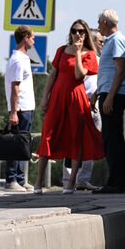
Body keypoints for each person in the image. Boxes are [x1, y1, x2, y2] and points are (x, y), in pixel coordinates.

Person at [36, 19, 103, 193]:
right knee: (48, 135)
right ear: (70, 33)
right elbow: (52, 75)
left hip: (76, 98)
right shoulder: (61, 50)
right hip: (57, 96)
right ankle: (38, 182)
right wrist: (44, 98)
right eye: (74, 31)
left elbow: (79, 75)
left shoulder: (89, 54)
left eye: (81, 31)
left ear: (86, 34)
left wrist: (79, 52)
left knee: (76, 137)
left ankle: (71, 182)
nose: (77, 34)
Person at [94, 9, 125, 194]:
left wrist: (109, 96)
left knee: (112, 139)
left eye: (99, 22)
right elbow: (110, 72)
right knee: (111, 138)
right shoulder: (111, 41)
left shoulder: (117, 40)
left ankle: (117, 183)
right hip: (108, 93)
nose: (98, 26)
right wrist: (97, 92)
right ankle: (119, 182)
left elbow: (120, 69)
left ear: (104, 23)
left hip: (114, 95)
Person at [0, 27, 38, 192]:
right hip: (20, 108)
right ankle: (11, 179)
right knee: (16, 145)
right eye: (32, 38)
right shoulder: (17, 60)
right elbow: (15, 87)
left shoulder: (23, 59)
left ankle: (20, 179)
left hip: (26, 108)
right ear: (25, 38)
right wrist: (14, 112)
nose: (34, 41)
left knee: (23, 145)